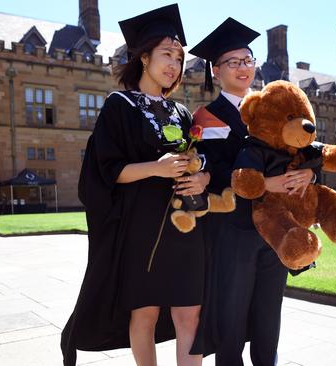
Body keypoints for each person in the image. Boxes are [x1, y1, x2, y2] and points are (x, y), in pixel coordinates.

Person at [60, 5, 210, 366]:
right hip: (140, 229)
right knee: (144, 314)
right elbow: (105, 171)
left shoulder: (181, 113)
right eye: (166, 55)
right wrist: (155, 169)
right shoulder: (120, 106)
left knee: (190, 313)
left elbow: (197, 158)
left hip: (183, 227)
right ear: (144, 58)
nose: (174, 64)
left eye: (178, 57)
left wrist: (200, 172)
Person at [189, 18, 317, 366]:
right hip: (233, 230)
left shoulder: (274, 110)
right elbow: (209, 175)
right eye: (234, 62)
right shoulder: (208, 118)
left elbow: (303, 147)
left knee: (268, 316)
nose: (243, 68)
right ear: (216, 71)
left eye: (248, 60)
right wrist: (263, 183)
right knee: (231, 319)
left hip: (276, 230)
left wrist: (308, 172)